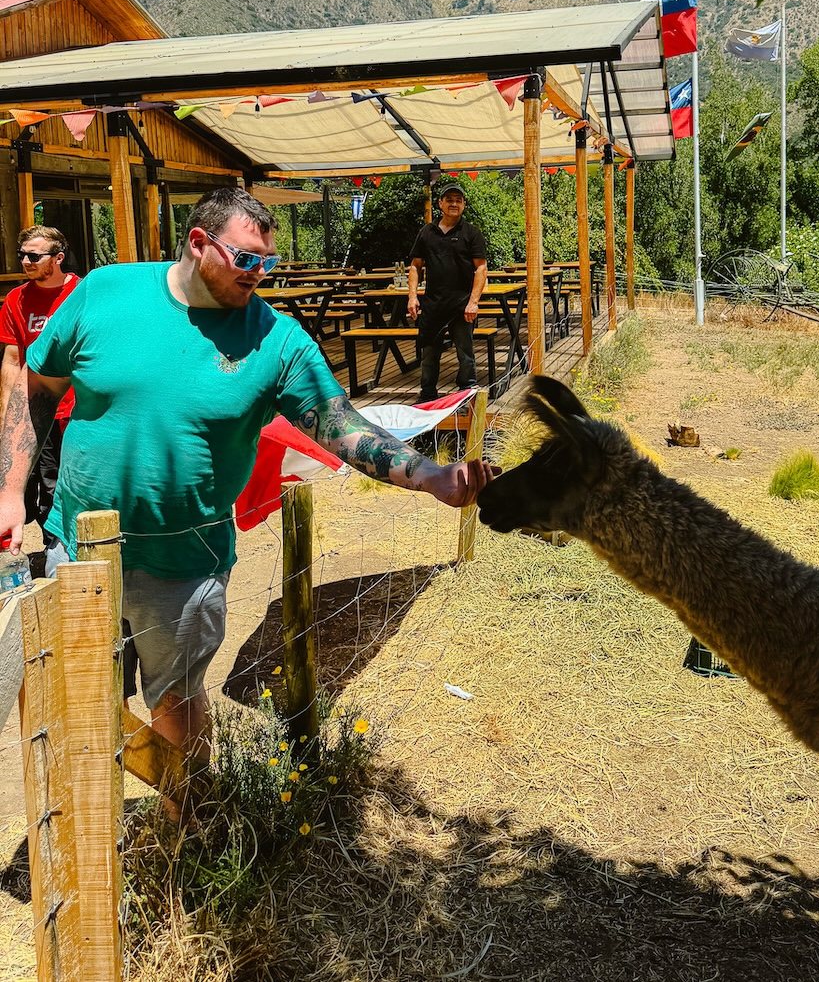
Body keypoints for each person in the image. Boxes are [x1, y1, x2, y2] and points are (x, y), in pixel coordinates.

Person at [0, 189, 495, 800]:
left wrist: (430, 476)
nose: (259, 273)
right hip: (77, 551)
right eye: (247, 259)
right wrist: (10, 492)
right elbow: (37, 388)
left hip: (185, 563)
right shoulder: (104, 292)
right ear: (199, 243)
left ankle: (187, 821)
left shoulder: (275, 340)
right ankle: (90, 829)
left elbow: (340, 425)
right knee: (76, 698)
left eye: (268, 261)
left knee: (176, 704)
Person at [0, 226, 78, 555]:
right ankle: (53, 553)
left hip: (80, 411)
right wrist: (7, 415)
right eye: (22, 255)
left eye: (34, 256)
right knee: (48, 486)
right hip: (38, 412)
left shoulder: (82, 293)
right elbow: (12, 360)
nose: (26, 262)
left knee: (79, 482)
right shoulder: (16, 300)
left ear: (58, 258)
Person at [407, 183, 488, 402]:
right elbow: (415, 266)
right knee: (429, 354)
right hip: (433, 304)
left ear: (464, 205)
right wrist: (412, 296)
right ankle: (427, 396)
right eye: (449, 199)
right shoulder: (427, 232)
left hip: (462, 305)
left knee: (465, 354)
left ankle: (467, 394)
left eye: (458, 200)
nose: (454, 204)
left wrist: (473, 302)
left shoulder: (471, 233)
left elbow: (481, 268)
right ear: (440, 203)